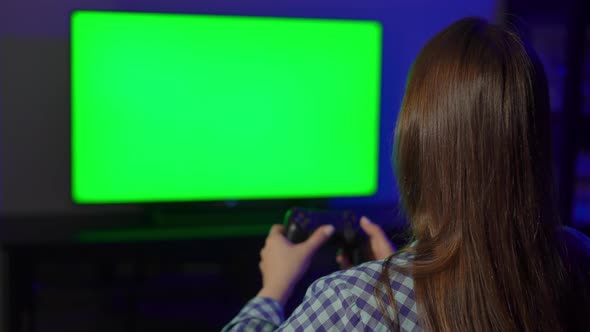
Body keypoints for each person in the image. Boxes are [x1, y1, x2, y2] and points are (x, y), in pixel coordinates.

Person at [223, 17, 590, 331]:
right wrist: (392, 272)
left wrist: (271, 292)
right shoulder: (577, 259)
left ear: (417, 138)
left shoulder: (349, 303)